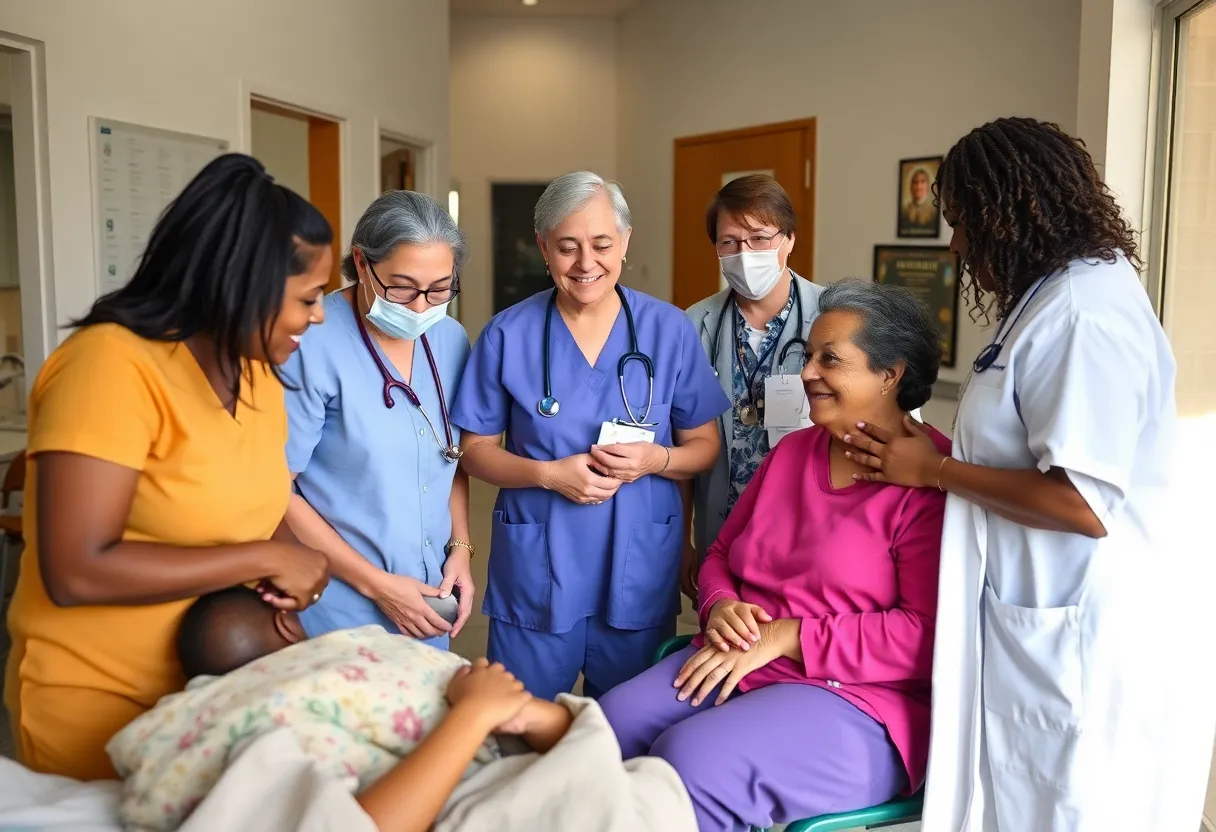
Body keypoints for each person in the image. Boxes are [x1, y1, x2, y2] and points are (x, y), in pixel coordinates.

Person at [843, 117, 1202, 832]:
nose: (957, 245)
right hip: (1038, 623)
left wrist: (935, 469)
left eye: (964, 224)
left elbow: (1082, 502)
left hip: (1083, 634)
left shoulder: (1083, 315)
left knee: (1074, 808)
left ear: (1009, 213)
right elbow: (1015, 446)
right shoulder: (1050, 299)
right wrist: (926, 454)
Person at [2, 153, 333, 781]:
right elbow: (76, 569)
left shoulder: (257, 372)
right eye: (308, 298)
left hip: (212, 699)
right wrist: (263, 561)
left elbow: (255, 508)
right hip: (101, 706)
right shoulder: (110, 366)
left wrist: (290, 575)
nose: (318, 317)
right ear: (244, 283)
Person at [599, 279, 949, 832]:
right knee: (608, 727)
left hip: (860, 699)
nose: (807, 372)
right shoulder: (793, 451)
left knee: (690, 759)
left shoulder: (928, 482)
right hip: (743, 660)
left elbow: (925, 634)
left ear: (890, 374)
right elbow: (719, 554)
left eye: (829, 359)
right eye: (808, 355)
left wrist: (787, 636)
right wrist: (719, 603)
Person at [451, 171, 730, 701]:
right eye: (567, 247)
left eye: (602, 245)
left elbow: (705, 447)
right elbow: (474, 451)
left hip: (637, 567)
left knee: (623, 734)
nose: (586, 264)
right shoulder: (508, 334)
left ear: (625, 242)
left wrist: (655, 460)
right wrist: (547, 474)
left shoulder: (668, 330)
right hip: (539, 568)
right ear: (542, 248)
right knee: (517, 726)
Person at [108, 586, 697, 832]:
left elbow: (523, 717)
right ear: (288, 625)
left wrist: (501, 713)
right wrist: (479, 715)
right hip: (512, 787)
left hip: (527, 757)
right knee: (649, 786)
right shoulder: (337, 671)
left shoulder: (363, 656)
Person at [280, 191, 474, 647]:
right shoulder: (309, 343)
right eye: (402, 287)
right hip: (337, 603)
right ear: (362, 263)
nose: (422, 307)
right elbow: (275, 492)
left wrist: (460, 550)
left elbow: (453, 459)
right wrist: (378, 587)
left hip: (429, 599)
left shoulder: (450, 340)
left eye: (440, 288)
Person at [680, 174, 824, 601]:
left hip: (809, 532)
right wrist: (682, 543)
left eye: (760, 237)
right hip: (721, 530)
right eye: (730, 242)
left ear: (790, 240)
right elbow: (681, 435)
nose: (745, 254)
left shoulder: (835, 316)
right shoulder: (693, 325)